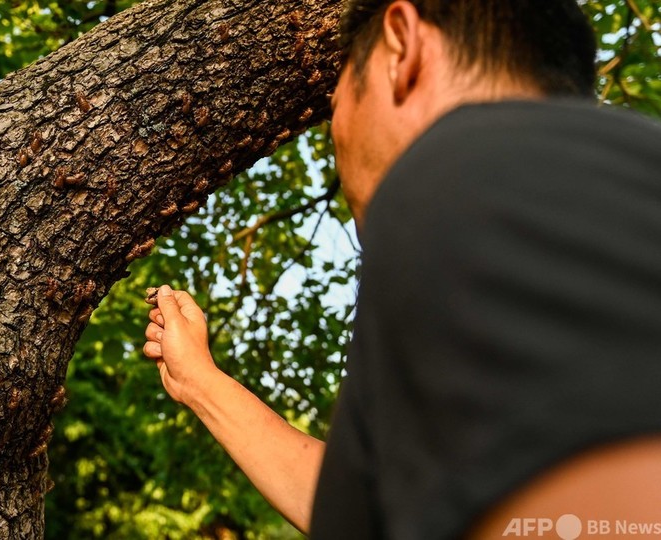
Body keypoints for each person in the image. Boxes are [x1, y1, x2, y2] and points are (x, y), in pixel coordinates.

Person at [144, 0, 661, 537]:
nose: (337, 136)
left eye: (338, 100)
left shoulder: (458, 163)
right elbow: (375, 512)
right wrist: (200, 381)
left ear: (402, 47)